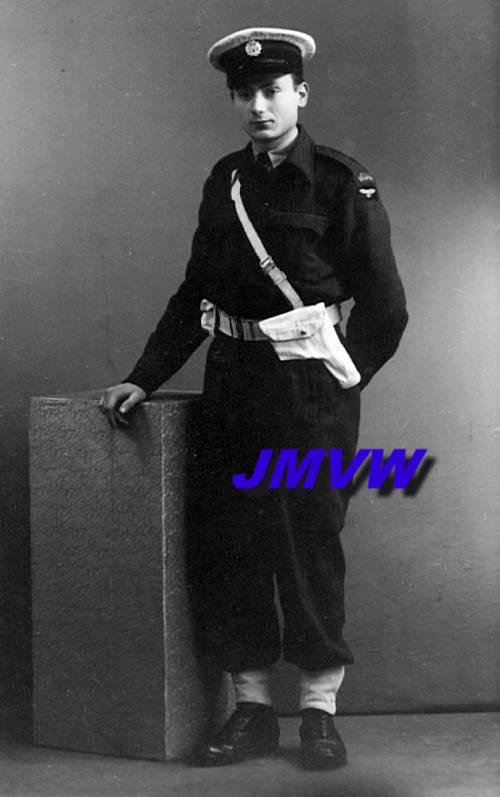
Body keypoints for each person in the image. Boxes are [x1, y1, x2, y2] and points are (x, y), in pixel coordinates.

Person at [99, 27, 408, 769]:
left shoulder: (342, 182)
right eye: (244, 94)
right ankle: (253, 708)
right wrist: (145, 374)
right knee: (233, 543)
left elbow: (387, 307)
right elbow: (194, 291)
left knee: (308, 544)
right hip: (233, 386)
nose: (258, 106)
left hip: (309, 395)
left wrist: (344, 376)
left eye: (272, 91)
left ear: (300, 93)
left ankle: (319, 712)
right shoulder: (225, 181)